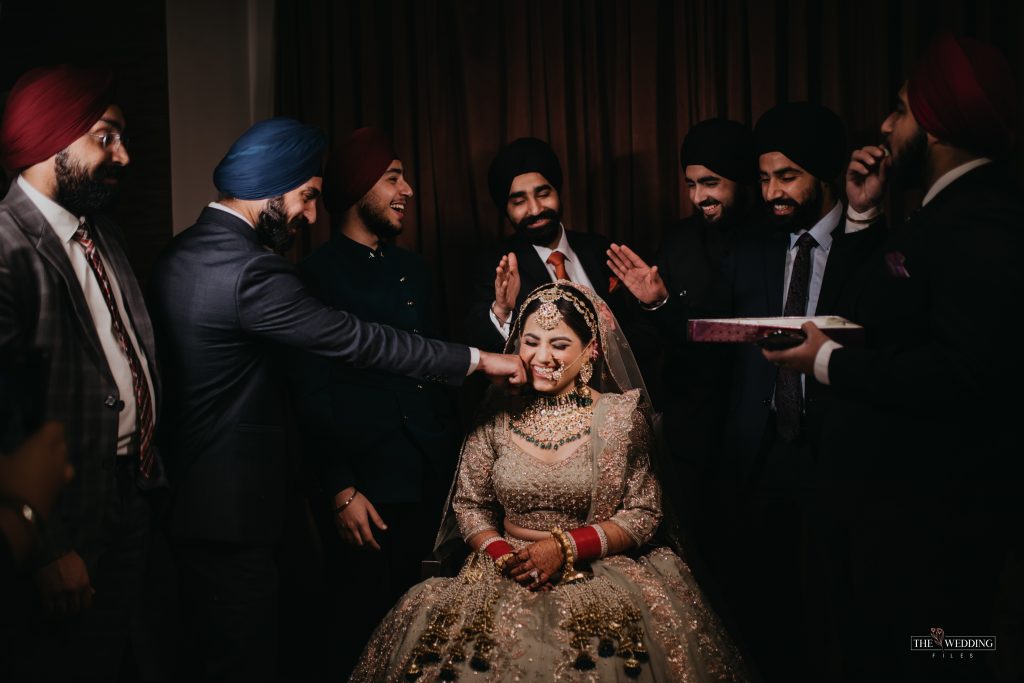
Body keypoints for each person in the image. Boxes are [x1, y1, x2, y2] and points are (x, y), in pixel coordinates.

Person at [151, 117, 526, 681]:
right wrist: (479, 359)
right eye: (305, 198)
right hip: (236, 510)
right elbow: (357, 342)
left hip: (196, 501)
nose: (308, 216)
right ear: (271, 186)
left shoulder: (181, 252)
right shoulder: (253, 271)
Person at [764, 33, 1023, 681]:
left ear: (933, 124)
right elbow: (870, 309)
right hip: (885, 526)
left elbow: (967, 373)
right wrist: (861, 215)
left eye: (901, 109)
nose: (885, 124)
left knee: (936, 659)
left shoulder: (983, 220)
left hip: (928, 539)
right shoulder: (936, 214)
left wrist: (827, 363)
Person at [608, 102, 887, 680]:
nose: (772, 192)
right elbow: (710, 334)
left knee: (841, 615)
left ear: (824, 173)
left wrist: (865, 221)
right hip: (758, 459)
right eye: (763, 178)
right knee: (765, 614)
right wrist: (659, 302)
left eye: (787, 176)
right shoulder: (755, 247)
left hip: (836, 458)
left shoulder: (869, 245)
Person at [351, 281, 749, 682]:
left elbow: (643, 512)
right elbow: (470, 505)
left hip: (598, 570)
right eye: (530, 342)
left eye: (559, 345)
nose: (541, 357)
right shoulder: (497, 412)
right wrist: (505, 555)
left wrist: (565, 547)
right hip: (502, 567)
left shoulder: (619, 417)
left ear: (591, 349)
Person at [0, 64, 169, 680]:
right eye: (106, 136)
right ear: (51, 139)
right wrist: (46, 546)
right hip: (60, 513)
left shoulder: (104, 234)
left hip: (131, 492)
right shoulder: (6, 245)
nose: (123, 155)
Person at [290, 127, 462, 677]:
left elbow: (436, 368)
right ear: (358, 188)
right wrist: (340, 489)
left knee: (434, 633)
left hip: (431, 475)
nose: (407, 188)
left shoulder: (417, 269)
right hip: (367, 491)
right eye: (392, 178)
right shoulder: (312, 278)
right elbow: (307, 391)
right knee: (364, 631)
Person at [462, 138, 631, 353]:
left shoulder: (600, 248)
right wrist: (502, 311)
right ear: (506, 209)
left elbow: (635, 328)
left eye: (543, 194)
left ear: (558, 192)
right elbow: (480, 342)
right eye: (519, 201)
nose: (535, 209)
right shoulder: (494, 266)